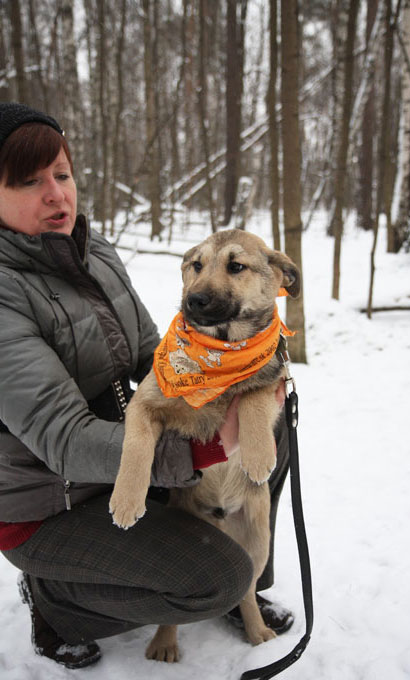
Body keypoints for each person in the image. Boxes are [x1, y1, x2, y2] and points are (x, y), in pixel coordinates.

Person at [0, 102, 293, 669]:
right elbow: (63, 439)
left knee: (271, 439)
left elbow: (149, 355)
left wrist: (234, 370)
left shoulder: (94, 252)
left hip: (125, 464)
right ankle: (57, 600)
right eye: (29, 182)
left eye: (62, 174)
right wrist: (205, 448)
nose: (56, 195)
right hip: (53, 503)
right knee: (210, 579)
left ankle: (245, 587)